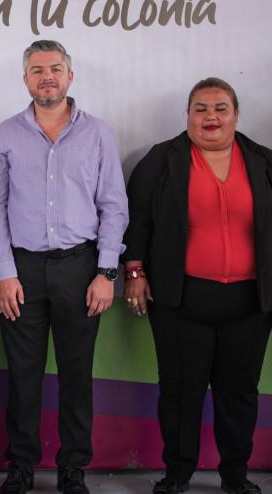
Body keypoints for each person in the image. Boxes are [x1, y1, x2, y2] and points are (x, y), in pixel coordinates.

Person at [0, 40, 128, 494]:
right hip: (21, 272)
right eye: (38, 70)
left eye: (56, 68)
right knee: (22, 375)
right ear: (25, 79)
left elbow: (114, 206)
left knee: (76, 374)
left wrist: (106, 273)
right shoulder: (5, 135)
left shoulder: (98, 134)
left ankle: (73, 469)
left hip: (80, 269)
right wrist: (4, 273)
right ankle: (21, 466)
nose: (47, 76)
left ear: (70, 76)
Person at [123, 77, 272, 494]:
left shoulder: (263, 161)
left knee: (239, 394)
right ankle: (177, 475)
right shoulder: (161, 160)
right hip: (181, 300)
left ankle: (235, 477)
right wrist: (134, 272)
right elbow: (136, 221)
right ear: (187, 115)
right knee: (180, 392)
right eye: (200, 109)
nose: (211, 117)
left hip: (249, 303)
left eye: (220, 108)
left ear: (236, 114)